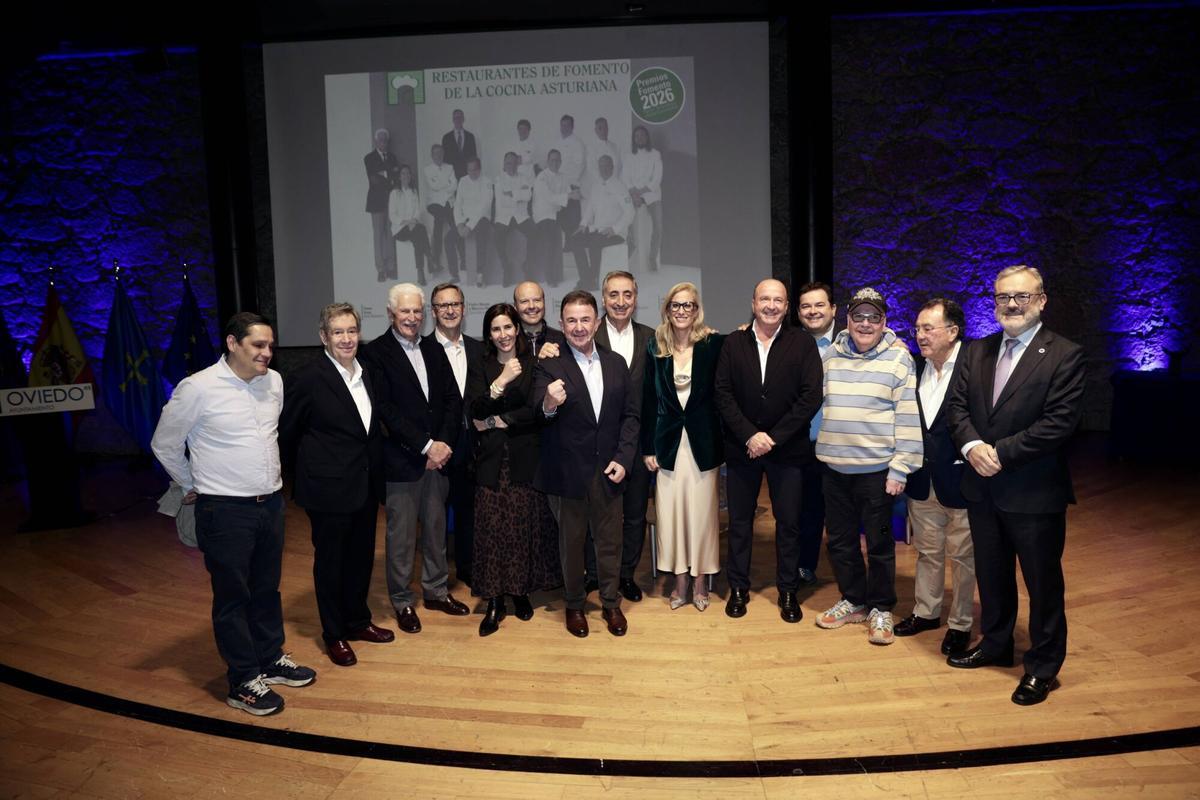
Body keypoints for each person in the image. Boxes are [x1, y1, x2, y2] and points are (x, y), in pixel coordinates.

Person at [151, 312, 316, 716]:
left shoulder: (273, 382)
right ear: (232, 343)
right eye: (258, 345)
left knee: (266, 588)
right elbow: (164, 443)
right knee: (232, 597)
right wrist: (192, 484)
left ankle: (269, 658)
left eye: (270, 346)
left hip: (271, 504)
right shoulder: (198, 388)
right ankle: (242, 681)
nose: (267, 353)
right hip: (224, 510)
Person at [945, 265, 1085, 706]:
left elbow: (1057, 425)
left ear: (1041, 301)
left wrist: (997, 453)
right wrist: (971, 447)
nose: (1011, 304)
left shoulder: (1065, 354)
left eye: (1022, 297)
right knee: (993, 575)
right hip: (982, 487)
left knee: (1043, 585)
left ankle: (1043, 666)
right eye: (1003, 296)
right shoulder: (976, 351)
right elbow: (957, 408)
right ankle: (997, 644)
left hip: (1033, 491)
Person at [279, 303, 392, 668]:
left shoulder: (368, 372)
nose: (346, 338)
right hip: (328, 491)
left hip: (364, 485)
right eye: (338, 332)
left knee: (360, 559)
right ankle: (334, 634)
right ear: (324, 337)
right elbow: (287, 433)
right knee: (331, 563)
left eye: (351, 331)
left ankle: (357, 621)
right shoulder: (308, 378)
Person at [814, 287, 923, 646]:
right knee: (841, 542)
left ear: (884, 322)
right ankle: (854, 601)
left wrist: (900, 468)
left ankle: (881, 608)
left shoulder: (898, 360)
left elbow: (907, 417)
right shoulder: (830, 356)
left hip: (877, 472)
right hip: (833, 469)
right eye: (858, 316)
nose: (865, 323)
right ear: (847, 319)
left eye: (873, 317)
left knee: (878, 546)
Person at [714, 279, 823, 623]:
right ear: (753, 302)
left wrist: (772, 437)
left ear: (787, 306)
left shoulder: (801, 342)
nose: (771, 305)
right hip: (742, 448)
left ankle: (788, 590)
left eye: (778, 300)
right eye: (765, 299)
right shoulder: (734, 342)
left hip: (787, 449)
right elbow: (723, 393)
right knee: (741, 523)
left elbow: (810, 396)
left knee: (789, 523)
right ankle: (739, 588)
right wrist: (750, 435)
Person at [363, 283, 470, 634]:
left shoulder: (433, 348)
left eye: (417, 311)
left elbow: (453, 401)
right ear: (391, 313)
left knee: (437, 530)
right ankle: (402, 601)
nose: (412, 317)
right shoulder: (376, 353)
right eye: (404, 311)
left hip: (438, 459)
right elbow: (385, 410)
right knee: (402, 537)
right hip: (402, 462)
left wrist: (442, 445)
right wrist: (426, 446)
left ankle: (436, 590)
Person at [534, 290, 640, 638]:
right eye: (571, 321)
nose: (579, 327)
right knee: (572, 544)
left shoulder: (615, 363)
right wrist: (549, 403)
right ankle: (575, 605)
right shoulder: (548, 364)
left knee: (610, 542)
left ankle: (611, 604)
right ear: (561, 326)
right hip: (568, 474)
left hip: (609, 470)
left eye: (585, 319)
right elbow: (538, 413)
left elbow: (630, 416)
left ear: (597, 322)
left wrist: (624, 459)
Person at [466, 303, 562, 635]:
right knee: (493, 532)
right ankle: (494, 601)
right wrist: (502, 381)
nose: (503, 335)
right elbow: (473, 409)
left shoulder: (534, 364)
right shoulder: (481, 365)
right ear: (489, 334)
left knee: (522, 530)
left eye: (508, 327)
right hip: (491, 464)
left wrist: (497, 419)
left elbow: (534, 412)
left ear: (517, 330)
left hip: (524, 460)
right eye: (496, 329)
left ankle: (520, 593)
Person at [894, 298, 974, 656]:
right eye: (918, 329)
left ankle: (960, 624)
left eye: (929, 328)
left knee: (963, 558)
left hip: (960, 480)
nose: (920, 336)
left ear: (953, 332)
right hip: (921, 479)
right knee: (927, 553)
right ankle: (926, 612)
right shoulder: (914, 367)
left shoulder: (975, 368)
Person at [641, 283, 724, 610]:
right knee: (671, 515)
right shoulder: (654, 347)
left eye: (688, 305)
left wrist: (748, 327)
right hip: (668, 446)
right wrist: (648, 447)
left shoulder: (713, 344)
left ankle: (701, 580)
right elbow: (649, 400)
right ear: (667, 309)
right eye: (676, 305)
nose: (682, 311)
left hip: (703, 445)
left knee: (702, 516)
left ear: (696, 309)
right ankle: (679, 580)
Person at [589, 270, 653, 601]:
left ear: (636, 299)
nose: (620, 302)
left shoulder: (652, 338)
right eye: (613, 295)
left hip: (639, 446)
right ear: (603, 299)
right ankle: (596, 574)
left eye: (627, 295)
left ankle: (626, 574)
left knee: (635, 515)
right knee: (597, 515)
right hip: (598, 447)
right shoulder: (587, 334)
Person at [428, 283, 483, 588]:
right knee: (434, 517)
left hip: (471, 447)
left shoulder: (478, 349)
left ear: (463, 308)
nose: (449, 310)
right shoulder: (422, 350)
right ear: (433, 311)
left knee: (468, 513)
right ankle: (435, 580)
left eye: (455, 304)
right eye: (442, 305)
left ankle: (467, 568)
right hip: (436, 448)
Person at [794, 282, 839, 586]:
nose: (813, 311)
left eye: (819, 305)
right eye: (806, 306)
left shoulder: (854, 342)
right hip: (802, 443)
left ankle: (847, 577)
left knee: (840, 515)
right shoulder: (790, 344)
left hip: (840, 445)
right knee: (805, 511)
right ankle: (803, 566)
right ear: (798, 313)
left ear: (833, 309)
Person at [569, 155, 633, 291]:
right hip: (598, 231)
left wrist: (615, 229)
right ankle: (586, 278)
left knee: (594, 243)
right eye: (601, 166)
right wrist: (583, 225)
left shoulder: (620, 186)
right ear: (598, 168)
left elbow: (630, 212)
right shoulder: (596, 186)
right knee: (574, 240)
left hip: (616, 233)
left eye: (606, 165)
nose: (603, 168)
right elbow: (590, 207)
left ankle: (591, 280)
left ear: (612, 167)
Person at [531, 149, 579, 286]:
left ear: (561, 162)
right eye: (552, 160)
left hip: (557, 212)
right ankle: (550, 276)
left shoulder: (563, 176)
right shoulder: (542, 177)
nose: (555, 163)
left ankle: (571, 236)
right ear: (547, 161)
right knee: (551, 238)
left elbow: (569, 192)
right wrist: (569, 195)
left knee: (576, 205)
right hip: (543, 214)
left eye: (558, 160)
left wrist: (576, 193)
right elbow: (549, 198)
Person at [623, 125, 663, 272]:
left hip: (652, 195)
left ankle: (652, 258)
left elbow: (657, 178)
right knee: (625, 221)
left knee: (658, 227)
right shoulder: (628, 156)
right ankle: (630, 247)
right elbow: (625, 178)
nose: (640, 138)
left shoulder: (655, 154)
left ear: (647, 138)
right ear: (634, 139)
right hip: (634, 195)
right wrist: (635, 194)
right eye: (637, 136)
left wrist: (642, 193)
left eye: (642, 136)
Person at [493, 152, 535, 286]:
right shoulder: (499, 179)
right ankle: (507, 267)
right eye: (508, 163)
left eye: (513, 163)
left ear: (517, 164)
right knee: (497, 236)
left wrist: (512, 193)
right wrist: (519, 194)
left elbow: (528, 196)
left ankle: (527, 265)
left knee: (534, 232)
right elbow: (503, 201)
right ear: (504, 165)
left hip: (520, 215)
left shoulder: (524, 178)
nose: (511, 165)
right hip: (504, 216)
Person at [388, 164, 433, 285]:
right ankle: (429, 256)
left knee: (418, 235)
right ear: (399, 176)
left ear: (410, 176)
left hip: (414, 226)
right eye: (403, 173)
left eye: (408, 173)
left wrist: (413, 220)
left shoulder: (413, 192)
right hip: (399, 229)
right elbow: (392, 215)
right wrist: (408, 222)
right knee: (421, 230)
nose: (406, 176)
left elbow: (418, 211)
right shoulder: (394, 193)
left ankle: (420, 272)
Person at [364, 128, 399, 282]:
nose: (383, 142)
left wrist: (385, 174)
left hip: (390, 201)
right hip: (376, 202)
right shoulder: (369, 158)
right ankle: (380, 269)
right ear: (376, 141)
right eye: (380, 140)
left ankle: (391, 267)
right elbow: (374, 180)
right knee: (378, 235)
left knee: (390, 234)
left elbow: (395, 176)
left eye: (385, 140)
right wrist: (389, 174)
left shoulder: (392, 157)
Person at [453, 158, 494, 288]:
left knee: (481, 235)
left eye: (475, 169)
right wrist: (459, 224)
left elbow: (484, 207)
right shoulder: (463, 181)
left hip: (482, 219)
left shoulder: (487, 181)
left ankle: (480, 274)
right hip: (465, 219)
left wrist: (469, 226)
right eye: (469, 169)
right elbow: (458, 203)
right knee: (449, 238)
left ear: (479, 169)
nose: (472, 172)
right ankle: (459, 271)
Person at [424, 143, 459, 279]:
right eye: (435, 153)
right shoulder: (427, 170)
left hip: (448, 203)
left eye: (440, 153)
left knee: (441, 222)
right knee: (448, 219)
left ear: (443, 154)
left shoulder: (449, 167)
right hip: (434, 203)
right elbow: (433, 186)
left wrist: (442, 185)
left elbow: (454, 185)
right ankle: (445, 261)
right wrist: (447, 183)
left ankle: (435, 261)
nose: (438, 155)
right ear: (432, 155)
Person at [513, 281, 567, 357]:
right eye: (524, 301)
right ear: (515, 307)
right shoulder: (508, 343)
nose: (531, 306)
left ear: (544, 303)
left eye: (537, 300)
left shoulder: (562, 339)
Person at [556, 114, 586, 235]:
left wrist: (570, 184)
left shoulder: (577, 143)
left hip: (571, 185)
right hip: (559, 185)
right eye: (562, 125)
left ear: (572, 127)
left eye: (567, 125)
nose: (564, 128)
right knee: (561, 216)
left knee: (572, 218)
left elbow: (580, 165)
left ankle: (575, 244)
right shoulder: (558, 142)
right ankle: (568, 244)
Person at [441, 109, 477, 181]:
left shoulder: (470, 136)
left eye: (460, 117)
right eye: (455, 118)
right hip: (452, 175)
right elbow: (444, 159)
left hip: (467, 174)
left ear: (463, 119)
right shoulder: (446, 138)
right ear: (453, 120)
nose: (458, 120)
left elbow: (474, 157)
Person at [588, 117, 622, 194]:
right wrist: (604, 183)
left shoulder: (615, 146)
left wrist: (615, 183)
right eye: (600, 128)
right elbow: (591, 168)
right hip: (600, 187)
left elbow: (619, 166)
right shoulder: (591, 148)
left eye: (605, 127)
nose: (603, 130)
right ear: (596, 131)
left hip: (615, 185)